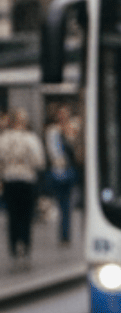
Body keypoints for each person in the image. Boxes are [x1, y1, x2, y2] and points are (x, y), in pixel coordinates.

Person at [0, 108, 46, 265]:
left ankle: (13, 247)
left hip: (10, 179)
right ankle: (25, 245)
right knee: (26, 216)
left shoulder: (5, 138)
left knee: (12, 215)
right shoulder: (31, 139)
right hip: (27, 179)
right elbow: (39, 161)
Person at [44, 103, 79, 245]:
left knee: (67, 205)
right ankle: (63, 233)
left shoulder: (72, 129)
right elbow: (53, 150)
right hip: (58, 171)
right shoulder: (53, 131)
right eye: (61, 114)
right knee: (61, 203)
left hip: (71, 170)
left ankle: (66, 235)